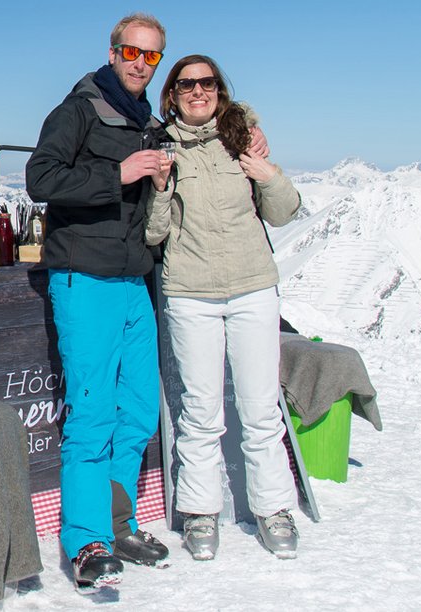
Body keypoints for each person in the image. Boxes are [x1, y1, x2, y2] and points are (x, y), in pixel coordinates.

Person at [25, 12, 172, 591]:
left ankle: (119, 522)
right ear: (113, 52)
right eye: (131, 52)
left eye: (151, 56)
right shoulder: (79, 108)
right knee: (91, 415)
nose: (140, 63)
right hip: (84, 278)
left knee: (136, 410)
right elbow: (40, 179)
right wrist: (120, 173)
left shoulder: (148, 121)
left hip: (134, 281)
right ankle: (85, 541)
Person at [146, 55, 303, 561]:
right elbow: (154, 233)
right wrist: (160, 188)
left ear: (219, 90)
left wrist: (267, 172)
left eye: (207, 83)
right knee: (200, 411)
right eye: (187, 84)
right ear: (172, 94)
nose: (198, 91)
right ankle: (199, 511)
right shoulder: (160, 146)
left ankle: (273, 508)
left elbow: (282, 213)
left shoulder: (243, 137)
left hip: (253, 286)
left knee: (260, 408)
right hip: (191, 292)